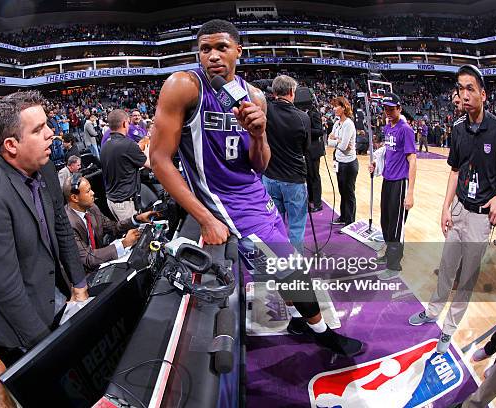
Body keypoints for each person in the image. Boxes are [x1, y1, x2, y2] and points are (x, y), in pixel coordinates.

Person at [150, 19, 363, 356]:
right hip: (229, 208)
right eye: (205, 49)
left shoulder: (254, 96)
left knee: (290, 267)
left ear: (238, 50)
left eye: (221, 47)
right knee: (291, 270)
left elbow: (260, 164)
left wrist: (259, 134)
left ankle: (297, 316)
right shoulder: (184, 86)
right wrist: (205, 217)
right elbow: (159, 158)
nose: (213, 56)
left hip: (258, 196)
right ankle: (323, 333)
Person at [0, 91, 89, 351]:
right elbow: (8, 290)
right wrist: (45, 347)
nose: (51, 133)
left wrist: (79, 285)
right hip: (22, 328)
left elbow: (62, 227)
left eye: (47, 124)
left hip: (55, 295)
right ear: (11, 145)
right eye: (38, 130)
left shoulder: (44, 166)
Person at [408, 65, 496, 354]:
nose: (465, 94)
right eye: (461, 88)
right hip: (460, 209)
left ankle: (449, 329)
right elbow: (453, 171)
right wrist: (445, 208)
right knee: (447, 269)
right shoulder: (459, 128)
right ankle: (433, 311)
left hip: (480, 218)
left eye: (470, 88)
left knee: (467, 279)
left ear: (483, 94)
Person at [62, 175, 156, 274]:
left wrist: (137, 218)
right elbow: (88, 258)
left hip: (99, 261)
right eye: (88, 191)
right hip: (83, 275)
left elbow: (113, 227)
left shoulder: (92, 208)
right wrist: (124, 244)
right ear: (74, 197)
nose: (93, 193)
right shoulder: (66, 224)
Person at [368, 93, 417, 281]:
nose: (388, 111)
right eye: (386, 108)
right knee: (386, 222)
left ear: (399, 109)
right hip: (388, 180)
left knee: (396, 226)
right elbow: (386, 153)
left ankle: (394, 266)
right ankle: (389, 254)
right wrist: (375, 164)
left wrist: (410, 192)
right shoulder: (388, 127)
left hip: (400, 183)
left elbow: (412, 161)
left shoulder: (406, 130)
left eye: (391, 108)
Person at [262, 75, 310, 253]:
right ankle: (295, 264)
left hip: (270, 177)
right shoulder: (302, 118)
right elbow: (305, 149)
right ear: (291, 92)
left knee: (275, 224)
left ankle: (279, 260)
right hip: (294, 179)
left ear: (274, 92)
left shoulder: (265, 109)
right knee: (296, 226)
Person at [101, 109, 150, 222]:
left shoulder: (105, 145)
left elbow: (123, 163)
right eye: (128, 122)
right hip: (124, 203)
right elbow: (150, 164)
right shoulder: (127, 144)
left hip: (112, 200)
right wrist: (146, 149)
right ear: (124, 123)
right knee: (135, 235)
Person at [327, 96, 358, 227]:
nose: (334, 109)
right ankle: (343, 216)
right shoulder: (336, 123)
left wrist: (336, 140)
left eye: (336, 106)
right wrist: (337, 141)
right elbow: (328, 142)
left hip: (349, 163)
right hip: (339, 162)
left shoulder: (349, 124)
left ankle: (350, 221)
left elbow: (345, 146)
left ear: (344, 108)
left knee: (349, 192)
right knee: (342, 191)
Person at [305, 102, 326, 213]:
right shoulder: (304, 112)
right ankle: (311, 198)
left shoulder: (314, 113)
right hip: (306, 149)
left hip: (314, 150)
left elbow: (319, 131)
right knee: (308, 176)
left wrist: (306, 129)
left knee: (315, 176)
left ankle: (318, 203)